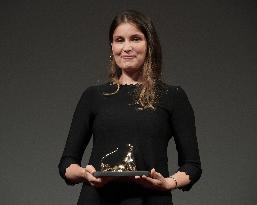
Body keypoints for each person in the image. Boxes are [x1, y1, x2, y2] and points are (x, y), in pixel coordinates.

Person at [58, 10, 202, 205]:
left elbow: (192, 165)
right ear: (111, 46)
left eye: (135, 39)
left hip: (150, 199)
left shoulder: (173, 96)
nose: (126, 47)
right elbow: (67, 164)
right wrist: (85, 173)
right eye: (119, 40)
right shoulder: (93, 96)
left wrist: (168, 183)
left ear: (149, 44)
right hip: (97, 199)